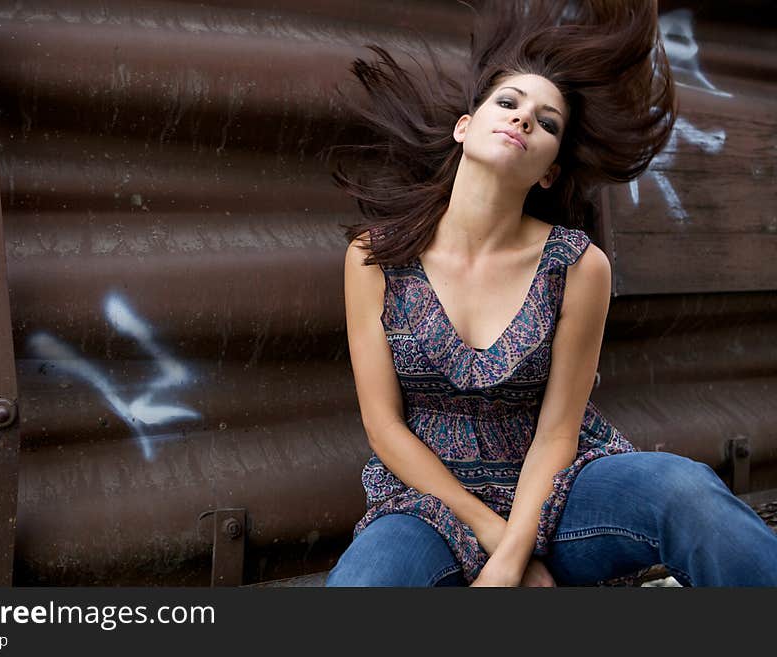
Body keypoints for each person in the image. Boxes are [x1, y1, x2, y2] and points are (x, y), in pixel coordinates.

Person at [323, 0, 777, 586]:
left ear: (549, 171)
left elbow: (558, 433)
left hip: (563, 489)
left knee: (684, 490)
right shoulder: (374, 256)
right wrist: (508, 551)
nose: (522, 120)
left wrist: (517, 552)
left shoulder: (578, 266)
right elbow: (385, 429)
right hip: (428, 504)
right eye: (507, 103)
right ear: (466, 126)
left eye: (547, 121)